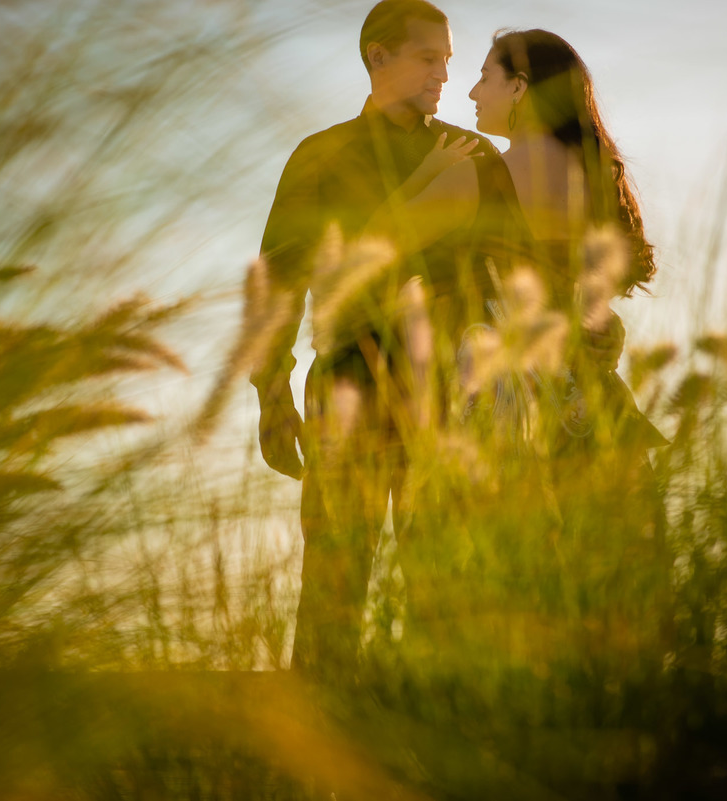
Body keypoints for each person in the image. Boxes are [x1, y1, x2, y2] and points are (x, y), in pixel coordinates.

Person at [365, 29, 670, 667]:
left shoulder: (481, 176)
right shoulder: (596, 182)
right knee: (588, 599)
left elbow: (379, 242)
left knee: (482, 599)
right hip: (591, 406)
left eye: (485, 77)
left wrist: (432, 171)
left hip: (500, 411)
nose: (472, 92)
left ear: (521, 88)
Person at [250, 0, 493, 681]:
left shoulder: (475, 156)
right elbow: (278, 280)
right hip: (345, 382)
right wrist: (272, 395)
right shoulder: (320, 156)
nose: (444, 73)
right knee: (334, 574)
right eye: (428, 57)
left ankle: (435, 729)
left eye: (448, 59)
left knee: (443, 576)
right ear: (377, 57)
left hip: (447, 391)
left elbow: (511, 271)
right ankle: (319, 730)